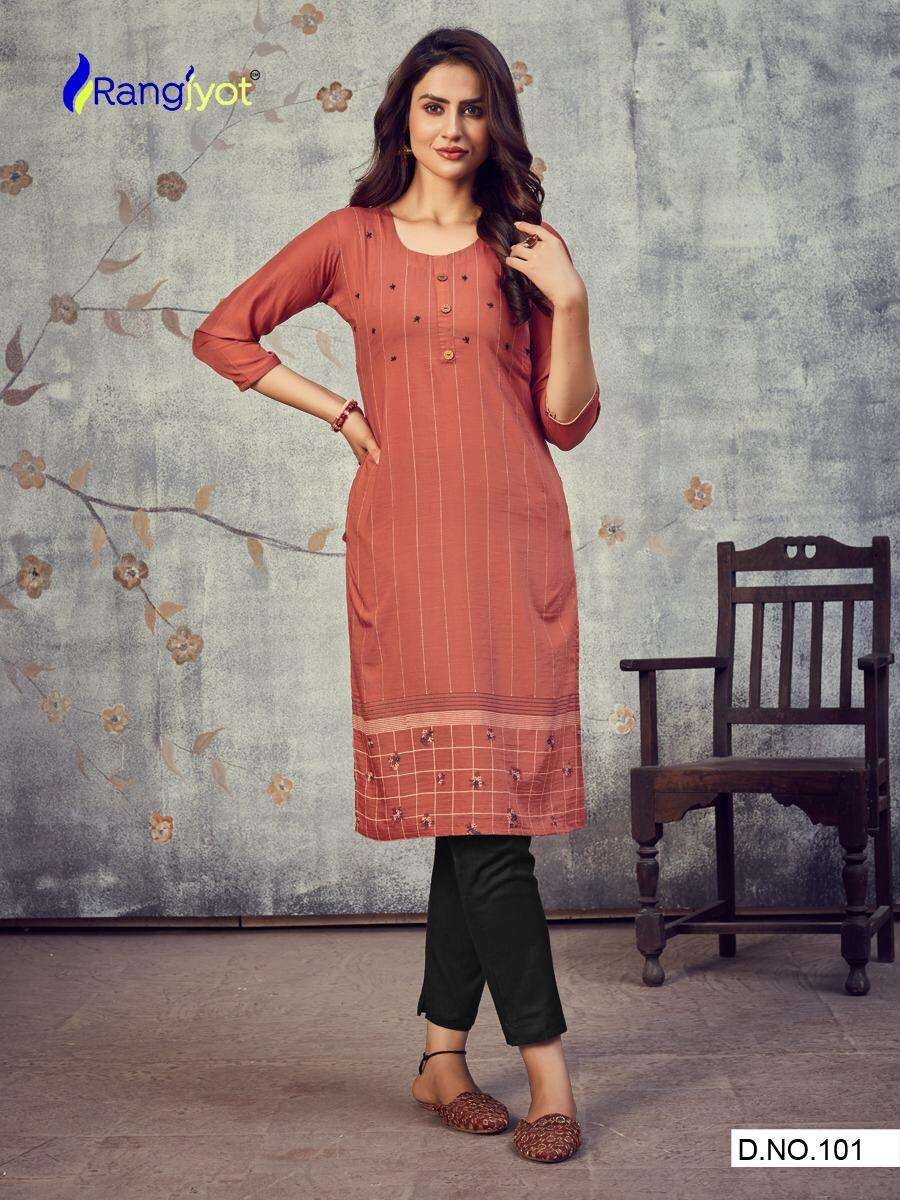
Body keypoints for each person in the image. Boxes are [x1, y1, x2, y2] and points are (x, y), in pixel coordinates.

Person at [192, 26, 600, 1165]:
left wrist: (569, 301)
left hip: (514, 548)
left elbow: (567, 421)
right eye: (434, 106)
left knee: (477, 820)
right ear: (403, 120)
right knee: (483, 825)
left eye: (473, 107)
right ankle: (550, 1076)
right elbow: (223, 333)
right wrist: (338, 411)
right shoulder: (351, 239)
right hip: (410, 555)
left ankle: (440, 1060)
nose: (454, 127)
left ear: (494, 121)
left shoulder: (526, 248)